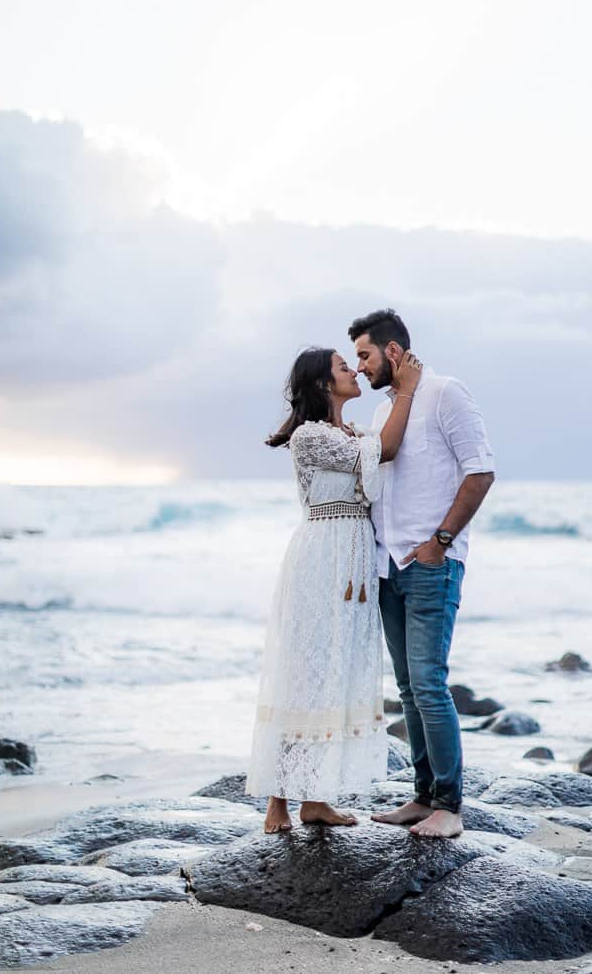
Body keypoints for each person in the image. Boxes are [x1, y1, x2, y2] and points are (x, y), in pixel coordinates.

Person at [248, 345, 421, 833]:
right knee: (304, 671)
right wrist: (405, 392)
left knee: (335, 672)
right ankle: (278, 802)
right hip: (321, 559)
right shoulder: (309, 437)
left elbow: (383, 451)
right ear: (324, 385)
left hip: (353, 562)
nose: (353, 371)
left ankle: (315, 799)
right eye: (344, 368)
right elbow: (385, 450)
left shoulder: (352, 432)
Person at [350, 309, 496, 839]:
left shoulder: (445, 392)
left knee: (430, 685)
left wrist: (440, 542)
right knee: (409, 689)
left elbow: (481, 471)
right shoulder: (385, 411)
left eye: (365, 355)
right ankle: (421, 796)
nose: (359, 367)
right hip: (388, 567)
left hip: (430, 564)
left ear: (392, 351)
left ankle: (450, 808)